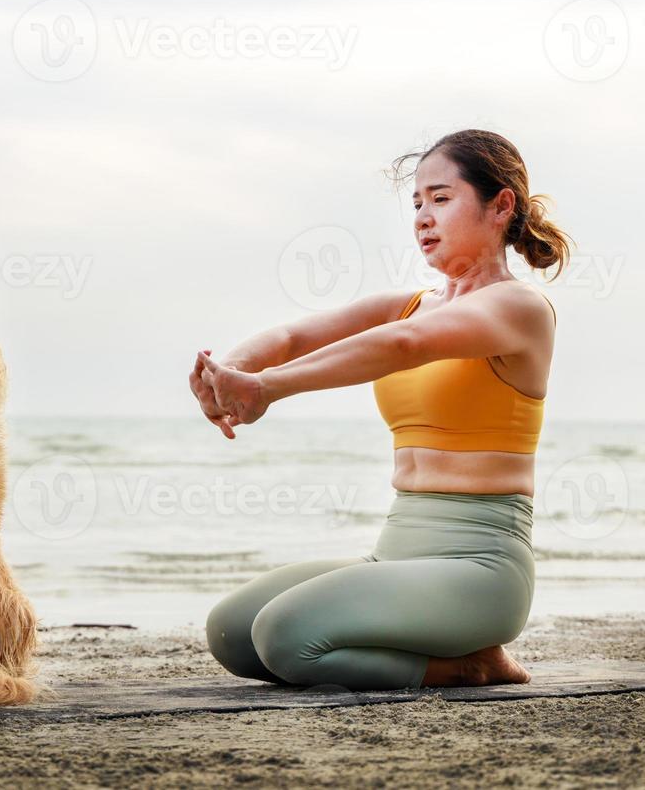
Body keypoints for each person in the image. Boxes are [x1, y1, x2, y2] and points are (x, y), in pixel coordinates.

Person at [189, 129, 574, 690]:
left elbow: (404, 345)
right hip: (396, 553)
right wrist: (226, 375)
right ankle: (434, 650)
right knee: (232, 633)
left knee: (285, 638)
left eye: (441, 199)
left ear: (501, 206)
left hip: (480, 569)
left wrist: (266, 388)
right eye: (417, 203)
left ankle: (472, 664)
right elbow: (296, 334)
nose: (422, 217)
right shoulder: (410, 305)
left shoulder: (520, 308)